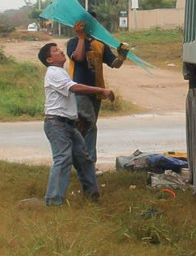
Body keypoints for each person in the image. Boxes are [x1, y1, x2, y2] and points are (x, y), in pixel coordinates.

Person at [37, 42, 115, 206]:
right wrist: (101, 91)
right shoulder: (53, 73)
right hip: (56, 124)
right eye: (56, 51)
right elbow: (74, 88)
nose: (60, 51)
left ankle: (92, 196)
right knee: (63, 159)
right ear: (49, 59)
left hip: (68, 125)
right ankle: (53, 202)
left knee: (84, 159)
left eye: (59, 48)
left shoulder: (61, 72)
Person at [66, 12, 128, 162]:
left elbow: (114, 64)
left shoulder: (100, 44)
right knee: (89, 126)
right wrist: (81, 37)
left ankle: (79, 161)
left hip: (97, 92)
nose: (87, 26)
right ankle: (88, 163)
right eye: (84, 23)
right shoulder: (73, 42)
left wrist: (122, 56)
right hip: (80, 91)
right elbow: (79, 57)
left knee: (85, 127)